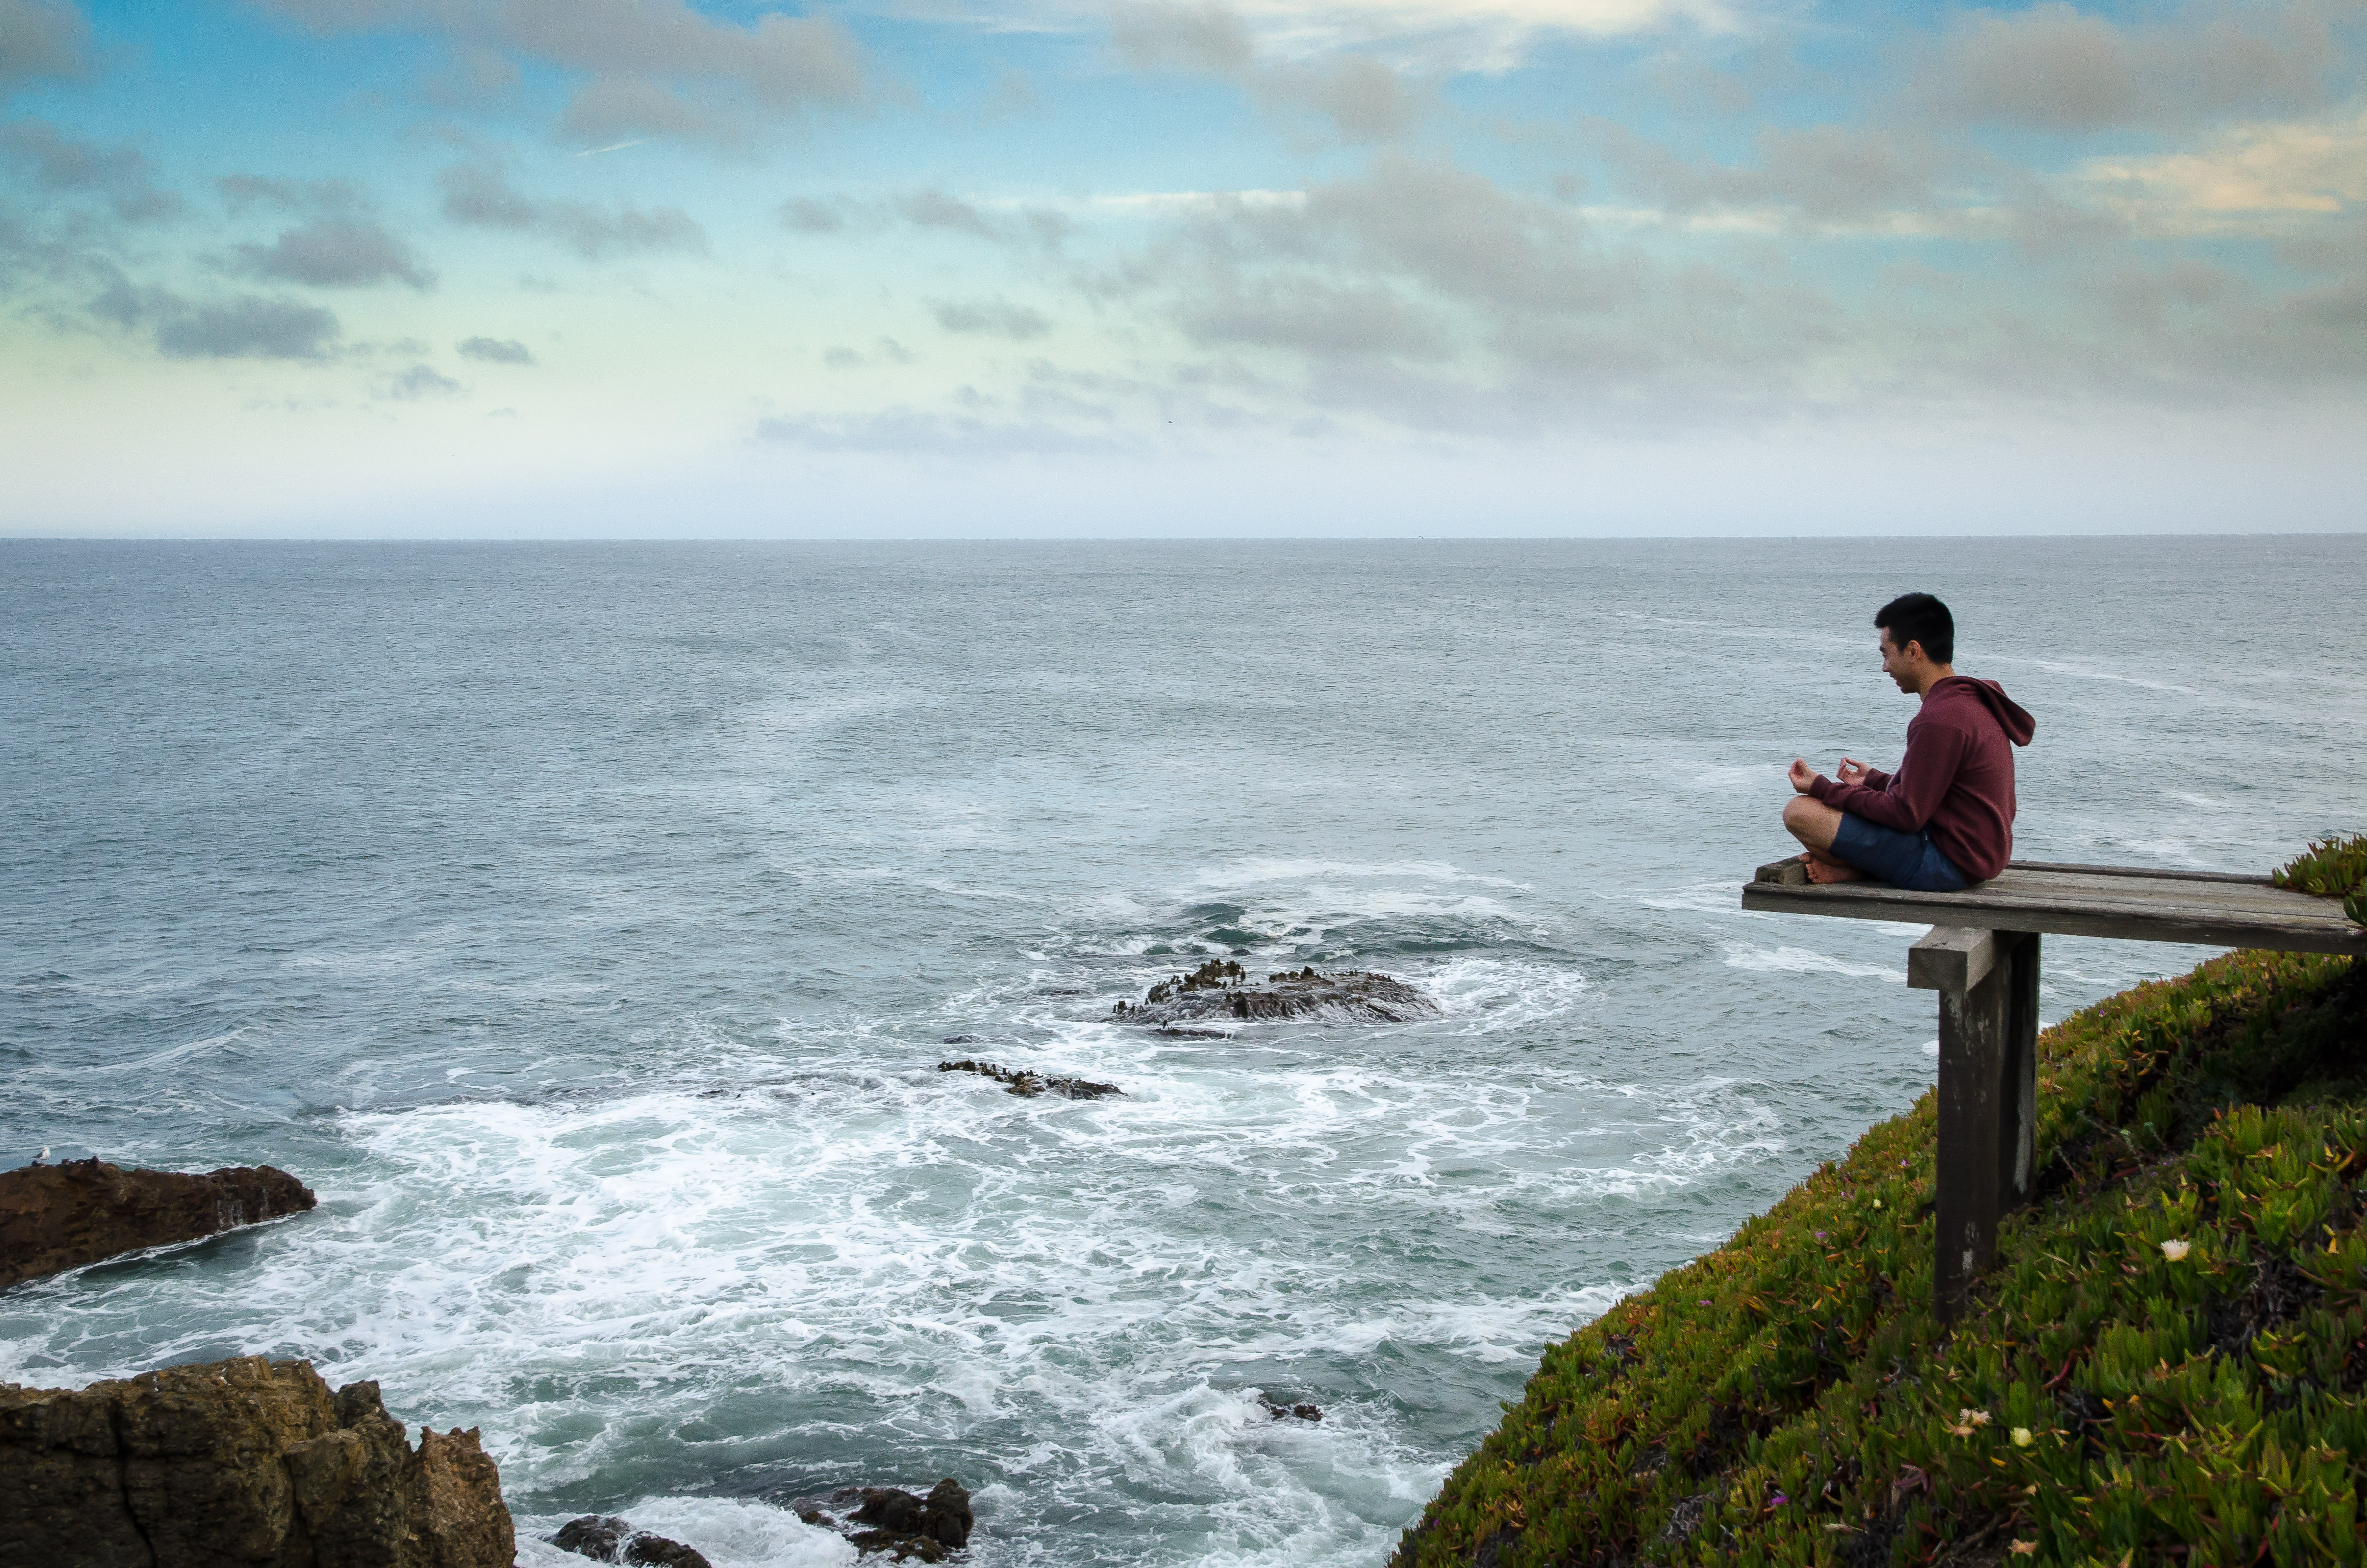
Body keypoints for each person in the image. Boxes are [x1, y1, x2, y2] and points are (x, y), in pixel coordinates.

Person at [1781, 593, 2034, 890]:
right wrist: (1874, 781)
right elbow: (1937, 793)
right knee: (1833, 810)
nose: (1885, 667)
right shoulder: (1967, 702)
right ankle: (1855, 869)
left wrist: (1822, 788)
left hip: (1950, 864)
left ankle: (1858, 869)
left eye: (1887, 655)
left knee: (1800, 812)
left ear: (1913, 651)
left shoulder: (1940, 719)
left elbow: (1906, 814)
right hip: (1973, 855)